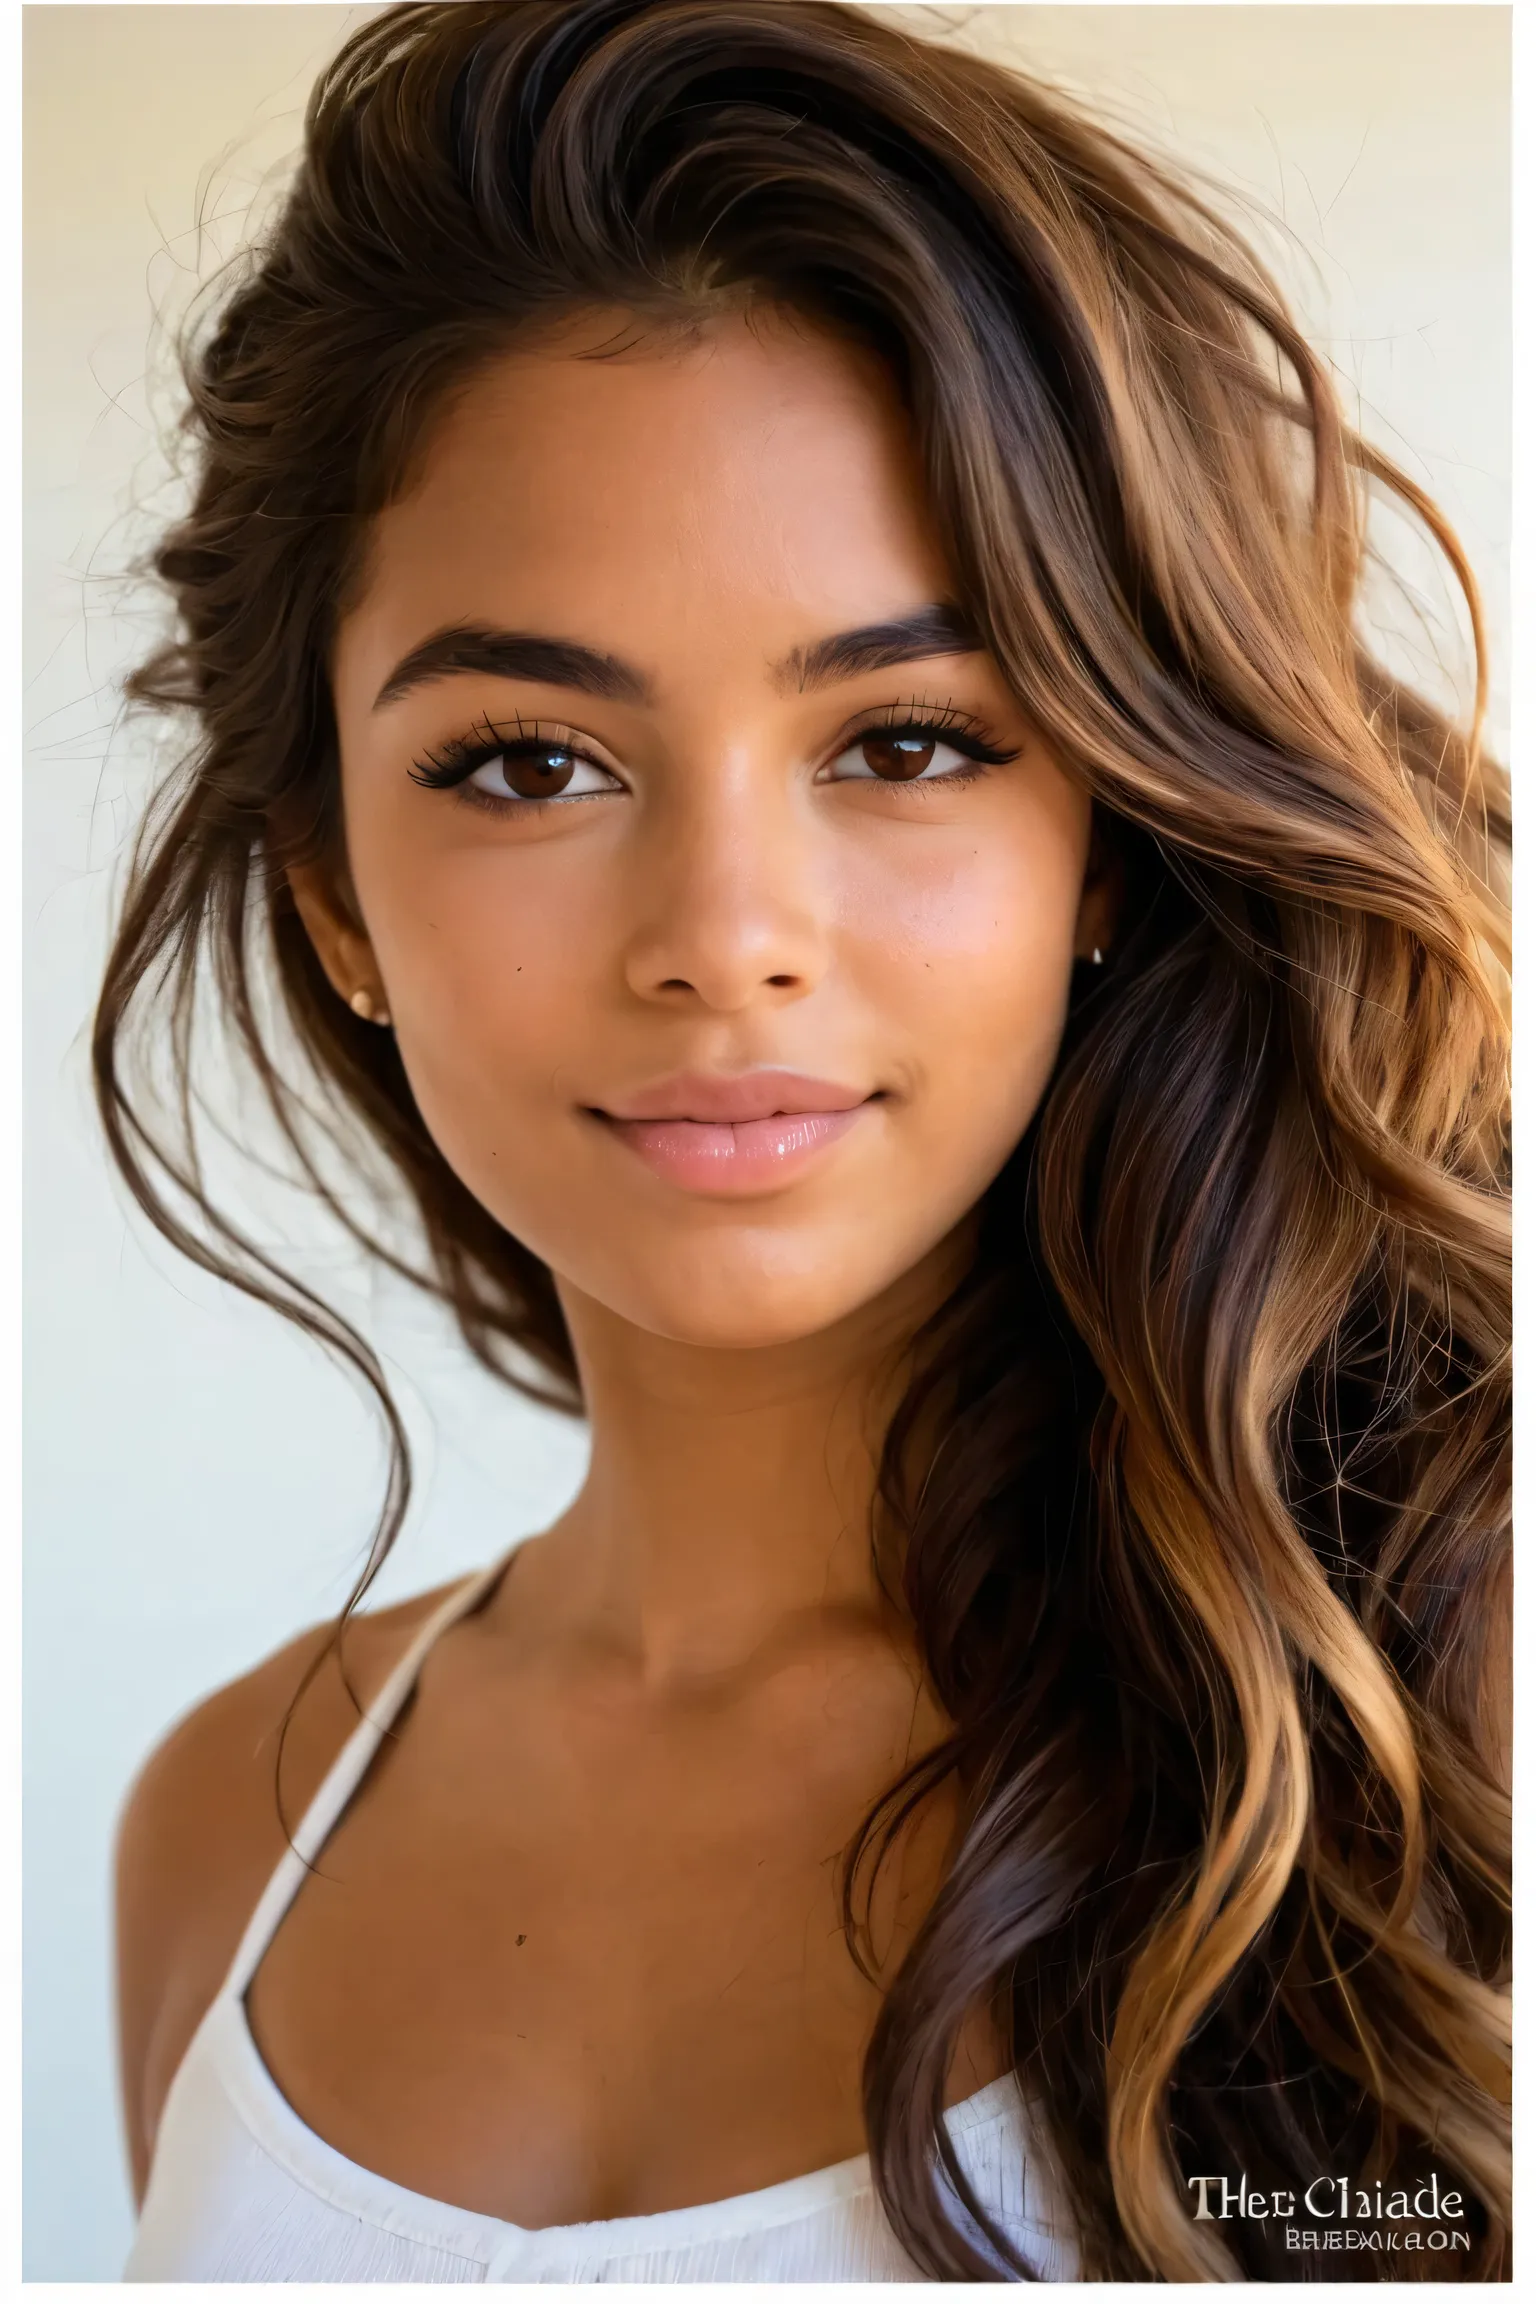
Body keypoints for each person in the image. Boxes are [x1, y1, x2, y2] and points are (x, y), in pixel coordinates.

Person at [98, 0, 1511, 2281]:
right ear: (333, 885)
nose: (726, 940)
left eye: (910, 741)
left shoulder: (1452, 1715)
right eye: (531, 761)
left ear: (1115, 845)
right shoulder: (221, 1834)